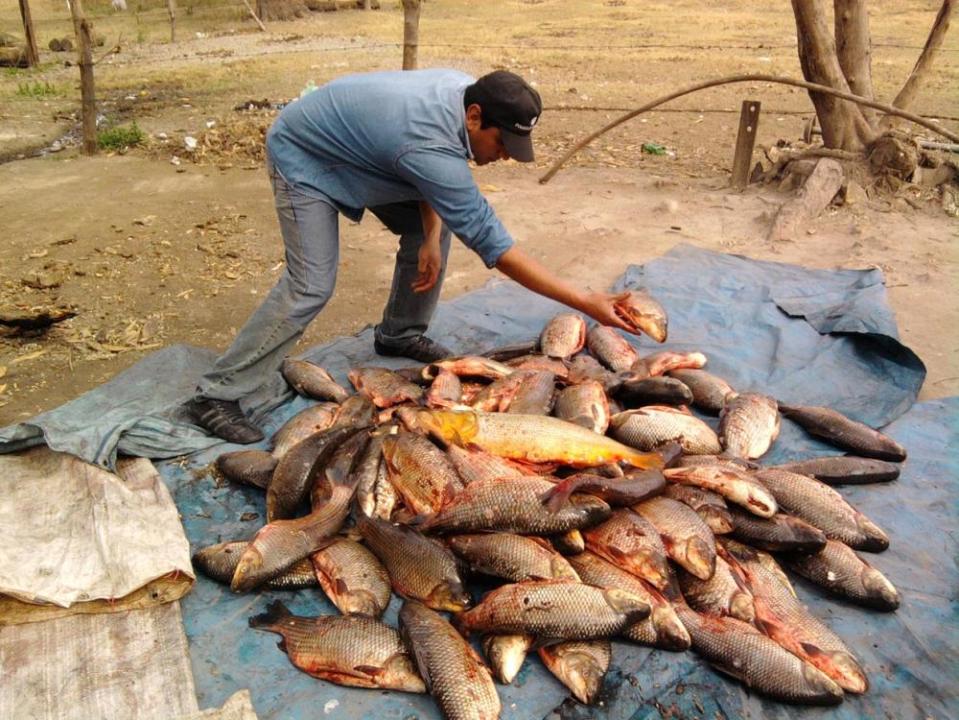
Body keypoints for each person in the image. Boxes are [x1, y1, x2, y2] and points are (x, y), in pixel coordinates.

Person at [185, 68, 636, 443]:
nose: (503, 157)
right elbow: (495, 246)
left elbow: (428, 172)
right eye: (501, 144)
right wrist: (584, 299)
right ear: (475, 117)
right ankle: (216, 394)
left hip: (367, 150)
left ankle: (399, 333)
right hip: (305, 154)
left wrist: (430, 236)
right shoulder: (428, 143)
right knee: (311, 285)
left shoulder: (464, 95)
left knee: (434, 230)